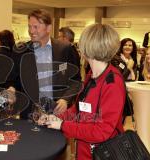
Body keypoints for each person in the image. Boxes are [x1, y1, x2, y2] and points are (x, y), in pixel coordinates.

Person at [38, 24, 125, 160]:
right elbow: (78, 111)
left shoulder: (113, 82)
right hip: (85, 151)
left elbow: (102, 131)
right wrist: (55, 118)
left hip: (103, 153)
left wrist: (62, 125)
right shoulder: (91, 75)